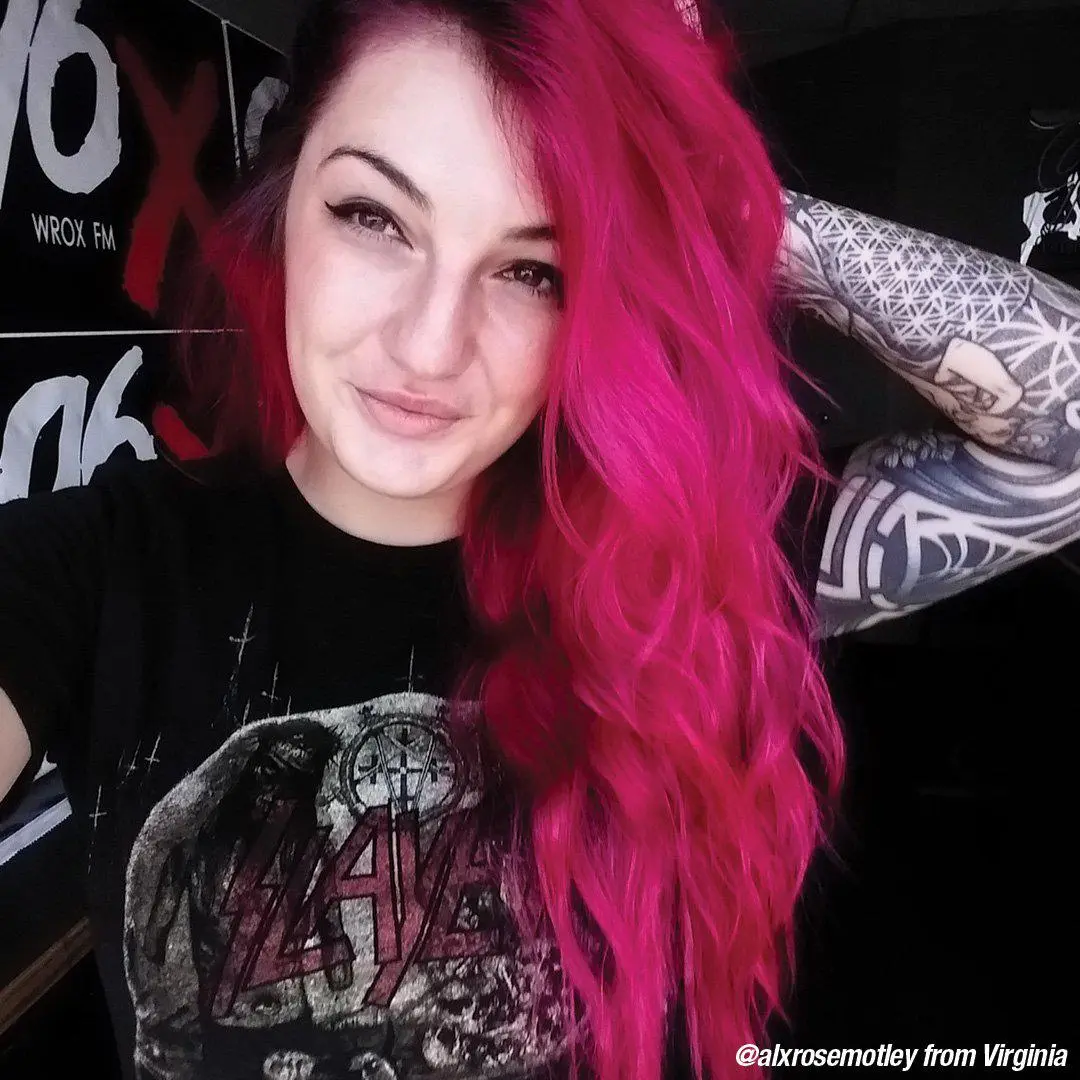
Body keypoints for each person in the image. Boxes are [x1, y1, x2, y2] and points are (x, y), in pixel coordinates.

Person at [2, 1, 1080, 1078]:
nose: (431, 345)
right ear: (283, 204)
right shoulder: (93, 571)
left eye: (533, 269)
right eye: (375, 217)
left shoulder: (683, 570)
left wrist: (691, 194)